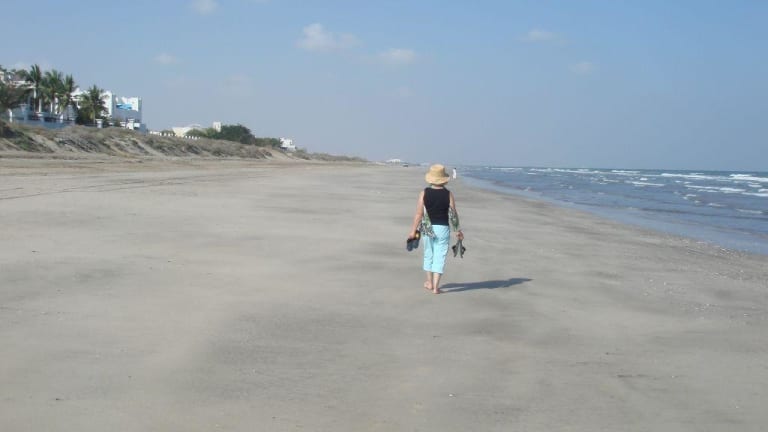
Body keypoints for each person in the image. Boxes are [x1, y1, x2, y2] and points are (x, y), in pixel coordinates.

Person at [408, 164, 464, 294]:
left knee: (428, 254)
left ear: (431, 179)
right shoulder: (448, 194)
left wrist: (413, 231)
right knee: (440, 256)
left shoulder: (424, 193)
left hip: (427, 227)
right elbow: (453, 214)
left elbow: (419, 214)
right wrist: (458, 231)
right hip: (443, 228)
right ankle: (435, 288)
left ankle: (429, 283)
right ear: (443, 180)